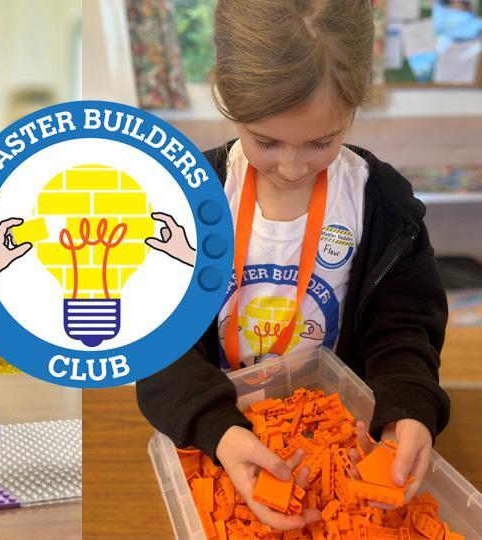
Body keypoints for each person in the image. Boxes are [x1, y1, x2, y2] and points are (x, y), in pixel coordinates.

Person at [137, 0, 450, 531]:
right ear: (227, 95)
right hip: (221, 431)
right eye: (266, 141)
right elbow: (155, 344)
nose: (290, 165)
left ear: (354, 103)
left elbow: (404, 328)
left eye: (321, 142)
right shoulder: (188, 201)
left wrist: (406, 408)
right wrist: (220, 431)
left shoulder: (382, 205)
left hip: (338, 435)